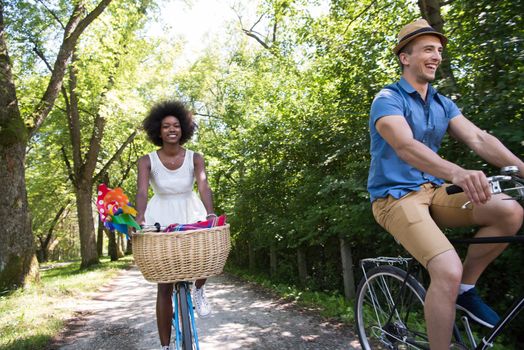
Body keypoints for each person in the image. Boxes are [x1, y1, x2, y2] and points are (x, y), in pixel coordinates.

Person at [367, 19, 524, 349]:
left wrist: (522, 169)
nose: (436, 55)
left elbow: (479, 138)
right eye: (427, 49)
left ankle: (465, 291)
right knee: (446, 268)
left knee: (508, 212)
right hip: (395, 199)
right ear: (404, 57)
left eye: (438, 50)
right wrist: (457, 173)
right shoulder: (387, 99)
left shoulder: (441, 103)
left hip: (433, 193)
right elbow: (406, 145)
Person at [135, 100, 216, 350]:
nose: (172, 129)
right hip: (161, 213)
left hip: (190, 209)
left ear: (184, 130)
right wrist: (139, 216)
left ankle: (199, 290)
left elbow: (203, 185)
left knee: (206, 253)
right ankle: (165, 346)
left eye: (177, 125)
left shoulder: (195, 158)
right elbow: (141, 190)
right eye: (166, 126)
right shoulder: (146, 160)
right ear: (158, 131)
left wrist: (211, 212)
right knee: (164, 285)